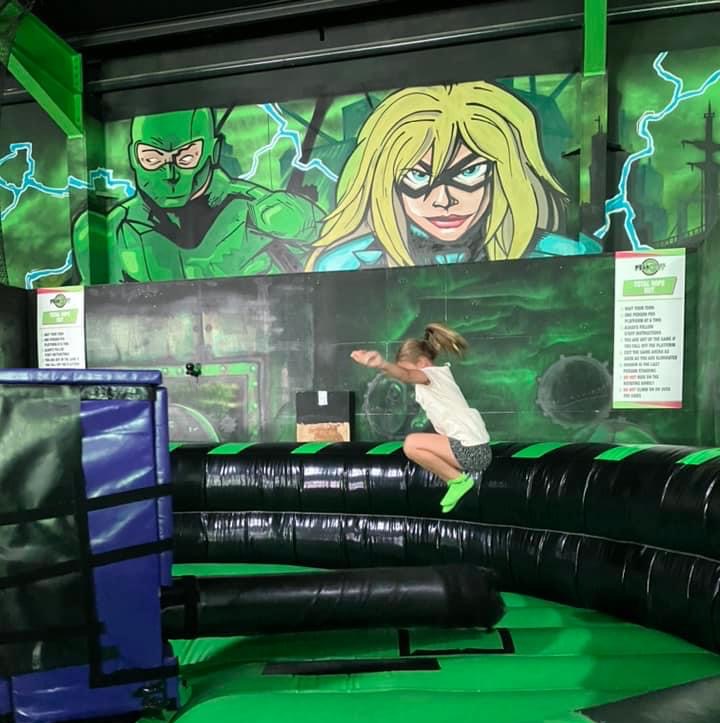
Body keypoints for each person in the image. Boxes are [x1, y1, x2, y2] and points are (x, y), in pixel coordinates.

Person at [309, 82, 601, 272]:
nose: (443, 200)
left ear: (506, 174)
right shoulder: (343, 265)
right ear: (386, 184)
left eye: (468, 171)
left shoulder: (560, 256)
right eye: (417, 176)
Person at [72, 108, 324, 283]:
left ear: (213, 151)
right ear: (133, 157)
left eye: (186, 158)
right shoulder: (110, 231)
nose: (170, 175)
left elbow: (331, 253)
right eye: (152, 159)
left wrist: (304, 224)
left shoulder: (260, 211)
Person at [351, 323, 491, 513]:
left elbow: (407, 375)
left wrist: (382, 363)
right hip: (477, 449)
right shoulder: (437, 380)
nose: (404, 379)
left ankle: (457, 480)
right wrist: (378, 367)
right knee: (423, 440)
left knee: (411, 444)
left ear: (423, 363)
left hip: (472, 451)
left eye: (407, 370)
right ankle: (457, 480)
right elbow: (404, 374)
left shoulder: (431, 375)